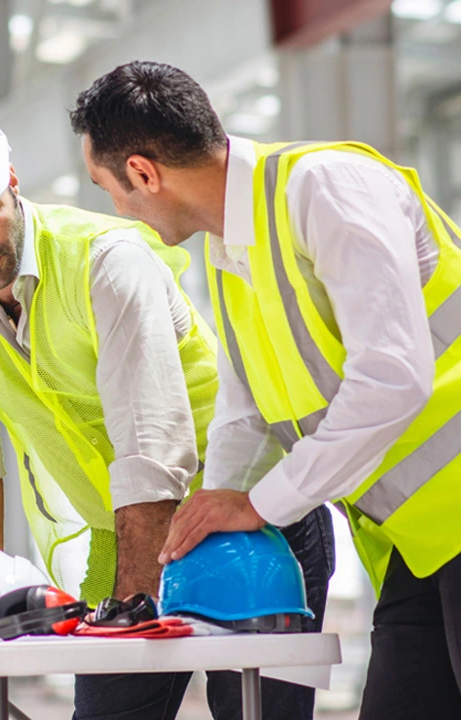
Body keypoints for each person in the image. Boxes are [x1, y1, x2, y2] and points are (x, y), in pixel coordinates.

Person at [0, 102, 321, 720]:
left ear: (10, 179)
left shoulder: (107, 260)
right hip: (124, 531)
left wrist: (134, 609)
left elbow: (150, 447)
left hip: (242, 515)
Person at [72, 60, 461, 719]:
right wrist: (215, 504)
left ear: (143, 172)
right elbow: (248, 406)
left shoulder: (327, 187)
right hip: (420, 541)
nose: (118, 210)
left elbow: (393, 377)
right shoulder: (233, 249)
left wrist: (259, 504)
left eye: (110, 188)